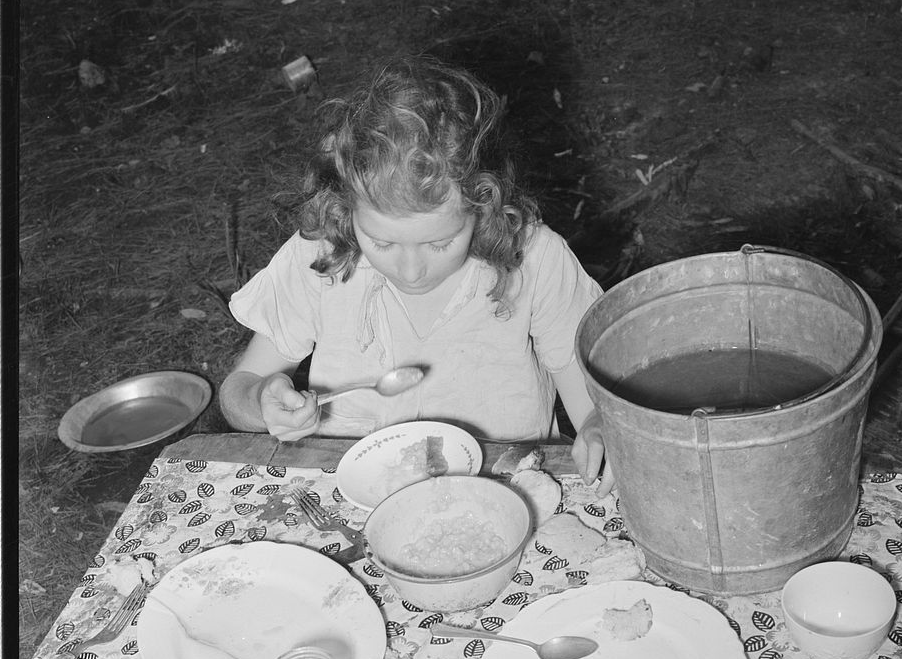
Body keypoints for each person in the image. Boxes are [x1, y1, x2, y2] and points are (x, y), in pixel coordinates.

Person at [219, 54, 613, 494]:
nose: (410, 271)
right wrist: (261, 403)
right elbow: (240, 389)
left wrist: (600, 427)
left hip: (509, 488)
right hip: (352, 499)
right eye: (382, 243)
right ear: (345, 209)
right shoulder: (321, 254)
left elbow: (593, 408)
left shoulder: (535, 259)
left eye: (439, 243)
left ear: (482, 204)